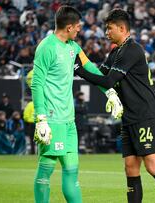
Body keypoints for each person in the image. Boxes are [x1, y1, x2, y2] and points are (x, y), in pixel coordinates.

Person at [74, 9, 155, 203]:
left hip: (145, 114)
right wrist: (80, 57)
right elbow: (100, 76)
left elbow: (108, 81)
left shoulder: (132, 49)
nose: (106, 33)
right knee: (130, 168)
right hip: (129, 116)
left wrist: (79, 70)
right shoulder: (116, 51)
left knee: (153, 166)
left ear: (122, 28)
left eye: (109, 28)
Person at [31, 6, 123, 203]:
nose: (80, 29)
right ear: (69, 27)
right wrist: (41, 118)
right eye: (78, 26)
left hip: (69, 121)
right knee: (45, 170)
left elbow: (90, 69)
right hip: (52, 119)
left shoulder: (73, 48)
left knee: (72, 172)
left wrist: (110, 92)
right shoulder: (46, 47)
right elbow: (37, 84)